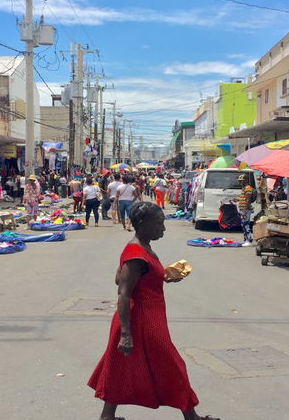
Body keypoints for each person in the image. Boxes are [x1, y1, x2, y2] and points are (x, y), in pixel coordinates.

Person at [88, 202, 218, 420]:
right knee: (174, 365)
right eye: (159, 224)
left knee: (120, 367)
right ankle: (191, 417)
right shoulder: (135, 254)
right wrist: (127, 335)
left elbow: (120, 278)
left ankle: (107, 416)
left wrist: (162, 275)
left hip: (148, 318)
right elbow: (123, 293)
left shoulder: (140, 248)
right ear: (142, 224)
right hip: (140, 321)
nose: (163, 228)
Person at [236, 174, 256, 247]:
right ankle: (246, 240)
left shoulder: (248, 188)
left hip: (246, 210)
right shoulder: (244, 188)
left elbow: (248, 200)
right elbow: (244, 198)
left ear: (246, 180)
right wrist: (237, 199)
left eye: (241, 181)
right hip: (243, 210)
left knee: (246, 225)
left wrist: (244, 211)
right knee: (243, 225)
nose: (240, 182)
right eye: (239, 181)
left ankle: (249, 240)